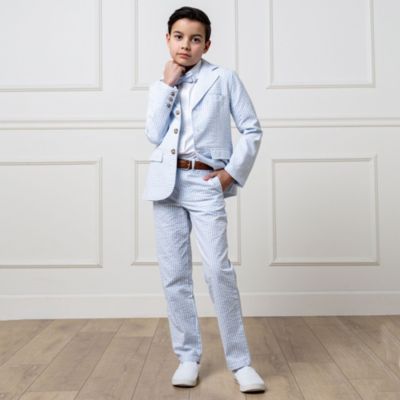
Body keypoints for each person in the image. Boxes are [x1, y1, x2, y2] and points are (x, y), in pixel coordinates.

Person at [142, 6, 266, 393]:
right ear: (168, 40)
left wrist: (231, 173)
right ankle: (188, 357)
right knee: (175, 275)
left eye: (195, 39)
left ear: (206, 45)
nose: (186, 45)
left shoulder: (224, 78)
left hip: (205, 182)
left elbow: (251, 129)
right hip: (166, 184)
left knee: (217, 270)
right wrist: (167, 85)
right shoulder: (160, 86)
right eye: (179, 37)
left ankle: (240, 362)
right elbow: (153, 134)